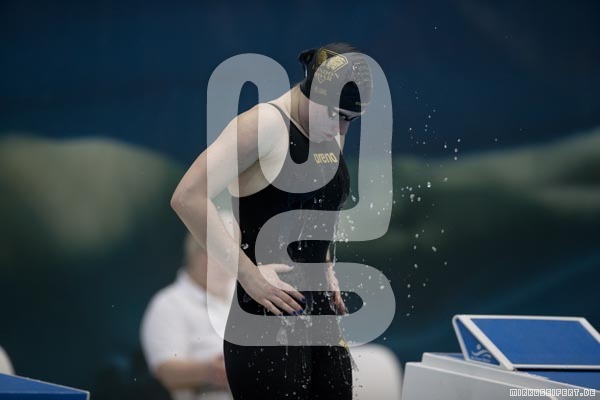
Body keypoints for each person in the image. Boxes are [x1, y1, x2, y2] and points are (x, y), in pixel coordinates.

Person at [170, 42, 372, 399]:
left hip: (321, 318)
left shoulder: (328, 127)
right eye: (336, 115)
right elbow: (187, 196)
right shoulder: (263, 125)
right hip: (265, 319)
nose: (341, 128)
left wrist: (326, 265)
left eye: (350, 120)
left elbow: (316, 208)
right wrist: (248, 276)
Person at [141, 232, 235, 400]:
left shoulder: (244, 292)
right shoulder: (168, 304)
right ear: (195, 256)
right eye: (216, 255)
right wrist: (212, 371)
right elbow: (166, 372)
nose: (224, 264)